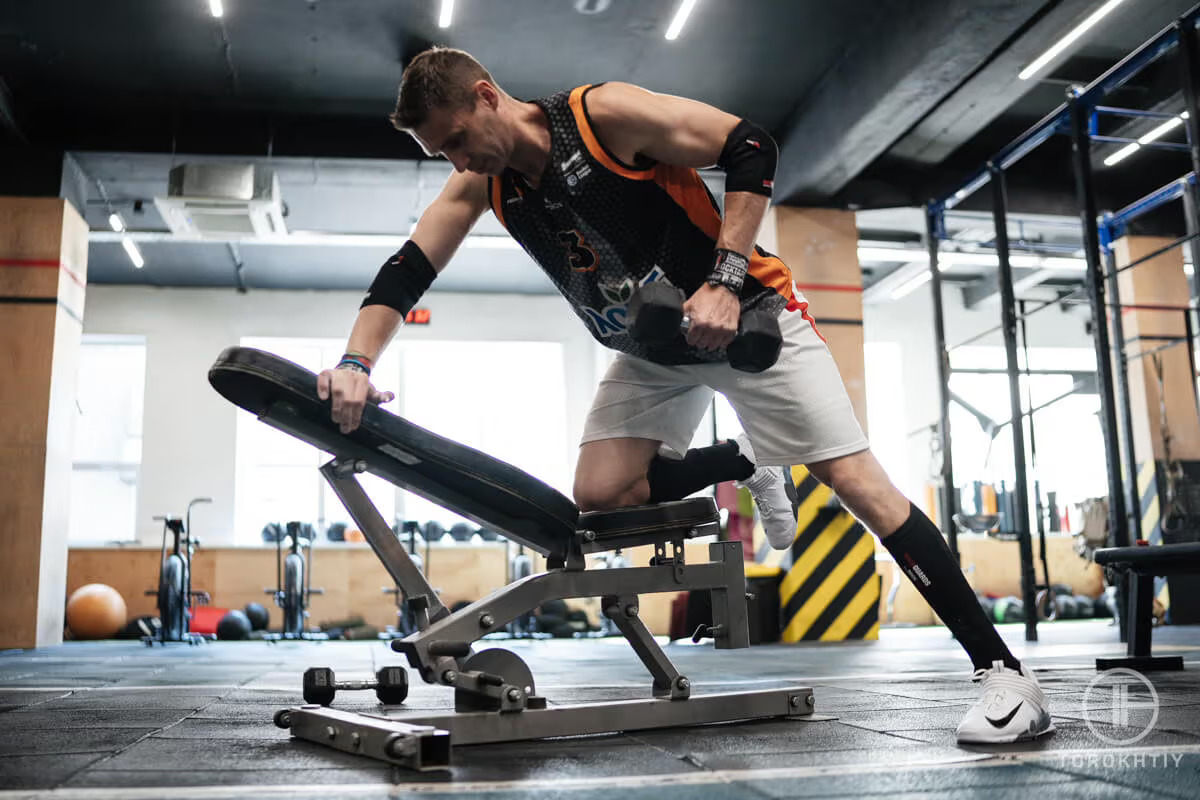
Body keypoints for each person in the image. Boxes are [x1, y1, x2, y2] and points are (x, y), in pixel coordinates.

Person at [316, 47, 1053, 745]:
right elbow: (408, 269)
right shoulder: (483, 182)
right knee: (601, 491)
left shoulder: (602, 117)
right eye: (440, 153)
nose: (457, 160)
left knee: (858, 482)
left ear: (485, 98)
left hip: (743, 319)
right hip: (649, 352)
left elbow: (751, 146)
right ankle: (746, 457)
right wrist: (354, 360)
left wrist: (726, 280)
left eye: (455, 140)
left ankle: (1005, 675)